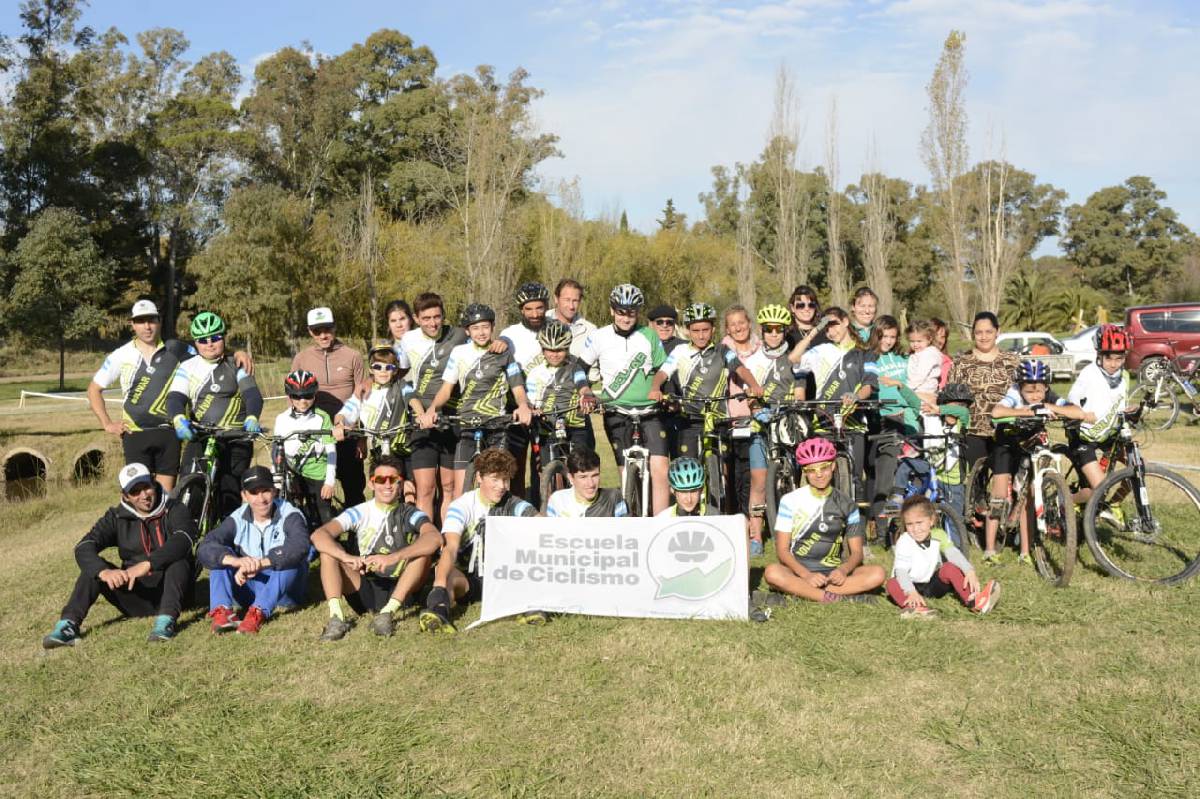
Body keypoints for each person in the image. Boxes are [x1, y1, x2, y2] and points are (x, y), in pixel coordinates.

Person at [42, 463, 196, 647]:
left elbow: (184, 539)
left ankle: (166, 622)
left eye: (146, 487)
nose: (144, 495)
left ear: (154, 483)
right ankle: (67, 626)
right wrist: (104, 572)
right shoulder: (115, 517)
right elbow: (84, 546)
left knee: (179, 560)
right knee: (92, 570)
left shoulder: (174, 508)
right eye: (135, 491)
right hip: (137, 597)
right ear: (125, 496)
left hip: (177, 593)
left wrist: (148, 564)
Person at [310, 455, 442, 641]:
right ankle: (336, 617)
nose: (387, 485)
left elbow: (435, 538)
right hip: (365, 588)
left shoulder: (410, 513)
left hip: (402, 588)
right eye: (380, 479)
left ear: (400, 483)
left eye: (393, 480)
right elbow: (318, 536)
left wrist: (393, 558)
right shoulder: (359, 512)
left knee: (423, 554)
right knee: (328, 553)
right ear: (371, 484)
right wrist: (346, 557)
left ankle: (387, 613)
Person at [419, 448, 540, 633]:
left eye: (505, 479)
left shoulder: (513, 503)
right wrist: (440, 585)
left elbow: (539, 521)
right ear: (479, 478)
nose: (501, 486)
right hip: (470, 579)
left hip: (505, 578)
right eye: (495, 479)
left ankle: (533, 606)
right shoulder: (461, 506)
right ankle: (439, 610)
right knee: (447, 574)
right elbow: (450, 547)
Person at [419, 303, 533, 497]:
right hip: (468, 426)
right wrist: (432, 409)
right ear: (467, 331)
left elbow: (517, 387)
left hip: (497, 426)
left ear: (492, 327)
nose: (481, 333)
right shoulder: (459, 353)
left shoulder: (503, 352)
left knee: (499, 488)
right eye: (475, 328)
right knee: (460, 492)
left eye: (485, 327)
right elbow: (446, 388)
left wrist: (523, 405)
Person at [578, 284, 671, 514]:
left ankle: (660, 524)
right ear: (612, 311)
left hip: (649, 411)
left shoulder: (649, 335)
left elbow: (664, 368)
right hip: (615, 411)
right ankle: (630, 519)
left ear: (638, 312)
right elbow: (579, 369)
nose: (626, 317)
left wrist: (661, 389)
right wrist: (585, 391)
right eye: (621, 311)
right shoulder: (598, 337)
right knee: (624, 471)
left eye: (631, 312)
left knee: (660, 468)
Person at [985, 359, 1089, 563]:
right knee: (999, 494)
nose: (1034, 396)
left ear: (1047, 387)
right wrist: (1027, 411)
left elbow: (1078, 412)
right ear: (1020, 387)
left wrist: (1048, 405)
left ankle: (1025, 551)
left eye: (1039, 391)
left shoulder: (1048, 396)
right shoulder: (1014, 393)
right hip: (1006, 443)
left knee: (1029, 496)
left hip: (1031, 443)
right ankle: (989, 549)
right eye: (1029, 392)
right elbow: (997, 412)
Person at [763, 438, 885, 603]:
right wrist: (806, 575)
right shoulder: (789, 501)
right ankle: (833, 597)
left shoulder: (848, 504)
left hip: (833, 574)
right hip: (799, 572)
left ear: (833, 466)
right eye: (812, 470)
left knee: (877, 574)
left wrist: (843, 570)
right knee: (772, 572)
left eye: (824, 468)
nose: (819, 474)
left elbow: (857, 553)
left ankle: (808, 593)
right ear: (805, 472)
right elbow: (782, 550)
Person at [167, 311, 263, 518]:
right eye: (203, 340)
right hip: (200, 436)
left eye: (215, 338)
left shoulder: (236, 364)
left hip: (235, 437)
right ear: (196, 343)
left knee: (229, 497)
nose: (209, 343)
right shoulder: (187, 366)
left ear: (224, 337)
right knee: (189, 492)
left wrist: (252, 417)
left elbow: (253, 395)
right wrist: (177, 418)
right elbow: (175, 398)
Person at [87, 301, 190, 491]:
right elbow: (93, 389)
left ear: (159, 321)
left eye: (151, 320)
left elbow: (209, 352)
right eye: (141, 321)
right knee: (139, 498)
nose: (147, 326)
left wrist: (238, 354)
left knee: (165, 500)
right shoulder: (121, 355)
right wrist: (107, 424)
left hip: (168, 433)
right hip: (135, 434)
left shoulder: (175, 349)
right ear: (132, 324)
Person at [197, 466, 310, 634]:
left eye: (265, 491)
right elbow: (205, 547)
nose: (261, 499)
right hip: (248, 588)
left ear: (274, 491)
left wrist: (261, 564)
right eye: (254, 493)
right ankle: (222, 612)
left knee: (291, 559)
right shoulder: (237, 517)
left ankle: (258, 612)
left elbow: (301, 546)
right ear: (244, 496)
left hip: (284, 591)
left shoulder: (291, 514)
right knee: (222, 553)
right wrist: (236, 561)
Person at [648, 302, 762, 460]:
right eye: (695, 331)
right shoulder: (680, 351)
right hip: (690, 419)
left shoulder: (722, 350)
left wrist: (754, 386)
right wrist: (655, 388)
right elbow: (662, 373)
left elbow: (740, 368)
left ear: (713, 329)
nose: (701, 336)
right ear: (688, 331)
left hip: (718, 420)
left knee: (724, 470)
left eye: (705, 330)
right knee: (689, 472)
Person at [795, 307, 878, 503]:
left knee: (855, 477)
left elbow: (870, 384)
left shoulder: (865, 354)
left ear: (846, 321)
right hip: (823, 421)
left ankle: (856, 526)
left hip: (854, 422)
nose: (831, 332)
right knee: (820, 476)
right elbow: (794, 359)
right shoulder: (820, 350)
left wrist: (856, 396)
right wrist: (815, 331)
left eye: (834, 325)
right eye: (827, 328)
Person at [400, 292, 469, 524]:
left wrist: (499, 343)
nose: (432, 323)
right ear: (416, 318)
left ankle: (447, 541)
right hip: (421, 418)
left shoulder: (459, 334)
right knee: (426, 489)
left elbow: (482, 343)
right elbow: (397, 373)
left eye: (437, 317)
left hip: (450, 415)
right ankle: (425, 546)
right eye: (426, 318)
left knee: (448, 487)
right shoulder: (407, 340)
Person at [881, 382, 973, 549]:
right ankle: (896, 499)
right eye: (952, 405)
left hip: (953, 480)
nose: (957, 409)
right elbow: (914, 402)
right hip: (931, 470)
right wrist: (900, 386)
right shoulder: (930, 417)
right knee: (906, 465)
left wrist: (940, 409)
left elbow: (963, 411)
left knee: (955, 518)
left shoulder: (963, 421)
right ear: (943, 403)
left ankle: (956, 552)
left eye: (961, 405)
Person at [293, 307, 368, 506]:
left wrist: (362, 437)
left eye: (327, 329)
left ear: (335, 327)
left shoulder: (353, 356)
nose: (323, 335)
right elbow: (291, 396)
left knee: (354, 489)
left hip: (348, 432)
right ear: (310, 331)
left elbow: (362, 397)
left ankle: (356, 534)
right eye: (317, 331)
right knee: (314, 492)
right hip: (315, 433)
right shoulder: (301, 359)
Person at [336, 342, 424, 504]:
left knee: (408, 487)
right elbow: (346, 411)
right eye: (378, 367)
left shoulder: (400, 386)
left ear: (395, 370)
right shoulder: (364, 392)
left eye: (388, 368)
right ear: (371, 369)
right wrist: (339, 425)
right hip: (378, 448)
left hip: (402, 448)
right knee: (380, 485)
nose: (383, 372)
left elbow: (412, 399)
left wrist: (421, 415)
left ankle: (410, 517)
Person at [886, 496, 1000, 618]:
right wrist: (911, 591)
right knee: (891, 583)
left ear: (931, 520)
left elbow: (953, 554)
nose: (915, 529)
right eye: (910, 524)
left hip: (931, 584)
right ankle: (914, 609)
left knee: (949, 567)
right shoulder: (904, 541)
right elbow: (901, 571)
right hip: (909, 585)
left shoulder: (939, 534)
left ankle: (975, 602)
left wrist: (969, 570)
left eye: (919, 522)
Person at [1064, 324, 1135, 507]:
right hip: (1083, 437)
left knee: (1139, 467)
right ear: (1098, 354)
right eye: (1108, 358)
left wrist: (1128, 411)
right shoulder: (1089, 373)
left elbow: (1118, 404)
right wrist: (1081, 412)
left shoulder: (1124, 376)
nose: (1114, 364)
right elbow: (1072, 398)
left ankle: (1113, 506)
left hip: (1108, 434)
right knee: (1098, 489)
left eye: (1119, 358)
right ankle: (1065, 503)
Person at [723, 304, 771, 553]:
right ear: (727, 329)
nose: (738, 327)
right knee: (732, 474)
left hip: (757, 418)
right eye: (733, 324)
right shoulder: (724, 349)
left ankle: (755, 530)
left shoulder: (761, 349)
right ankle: (734, 522)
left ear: (749, 322)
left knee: (753, 477)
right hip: (732, 418)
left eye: (742, 322)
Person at [946, 311, 1020, 469]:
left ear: (997, 332)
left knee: (1009, 480)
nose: (984, 337)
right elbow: (952, 397)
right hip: (973, 431)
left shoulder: (1012, 360)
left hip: (1007, 429)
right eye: (979, 332)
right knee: (977, 483)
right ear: (973, 334)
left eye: (989, 332)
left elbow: (1024, 393)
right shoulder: (961, 362)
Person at [524, 321, 597, 475]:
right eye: (549, 350)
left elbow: (582, 385)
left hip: (575, 426)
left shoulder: (574, 368)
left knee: (582, 470)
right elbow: (529, 400)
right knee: (542, 473)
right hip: (547, 428)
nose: (554, 354)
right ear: (542, 349)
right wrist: (532, 409)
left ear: (567, 348)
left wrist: (587, 396)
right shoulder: (535, 373)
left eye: (560, 350)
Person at [500, 282, 552, 496]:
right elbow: (499, 349)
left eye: (539, 308)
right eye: (529, 309)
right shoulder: (510, 334)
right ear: (521, 309)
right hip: (519, 408)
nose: (535, 313)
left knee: (545, 470)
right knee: (516, 467)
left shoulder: (556, 327)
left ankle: (546, 512)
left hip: (548, 407)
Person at [272, 370, 337, 525]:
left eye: (308, 396)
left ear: (315, 395)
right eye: (297, 396)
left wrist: (329, 481)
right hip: (293, 473)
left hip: (318, 474)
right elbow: (276, 450)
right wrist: (276, 477)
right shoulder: (281, 419)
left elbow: (331, 450)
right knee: (291, 513)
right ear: (289, 396)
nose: (303, 401)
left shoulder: (322, 417)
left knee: (324, 516)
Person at [545, 448, 629, 517]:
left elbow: (625, 532)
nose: (591, 484)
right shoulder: (557, 500)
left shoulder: (613, 498)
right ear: (571, 478)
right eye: (583, 477)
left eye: (595, 475)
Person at [905, 319, 943, 406]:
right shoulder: (918, 354)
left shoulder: (928, 354)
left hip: (925, 392)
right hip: (917, 392)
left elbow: (919, 376)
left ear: (929, 339)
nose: (915, 345)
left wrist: (905, 389)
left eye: (919, 341)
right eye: (912, 341)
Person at [930, 318, 955, 389]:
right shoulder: (914, 359)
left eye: (942, 337)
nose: (939, 340)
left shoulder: (949, 362)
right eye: (935, 335)